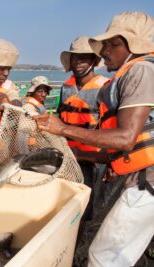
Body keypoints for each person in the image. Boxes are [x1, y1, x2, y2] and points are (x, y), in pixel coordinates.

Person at [34, 11, 154, 267]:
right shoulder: (126, 75)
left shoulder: (141, 70)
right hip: (135, 177)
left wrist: (63, 129)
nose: (105, 51)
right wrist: (78, 154)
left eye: (114, 44)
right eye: (105, 44)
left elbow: (125, 139)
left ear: (134, 46)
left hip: (147, 183)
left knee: (103, 257)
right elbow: (121, 148)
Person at [58, 36, 109, 221]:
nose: (78, 62)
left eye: (84, 57)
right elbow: (60, 116)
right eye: (75, 58)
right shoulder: (66, 87)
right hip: (66, 155)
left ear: (94, 60)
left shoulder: (105, 87)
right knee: (63, 200)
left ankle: (80, 239)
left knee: (86, 206)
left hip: (92, 160)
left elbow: (111, 128)